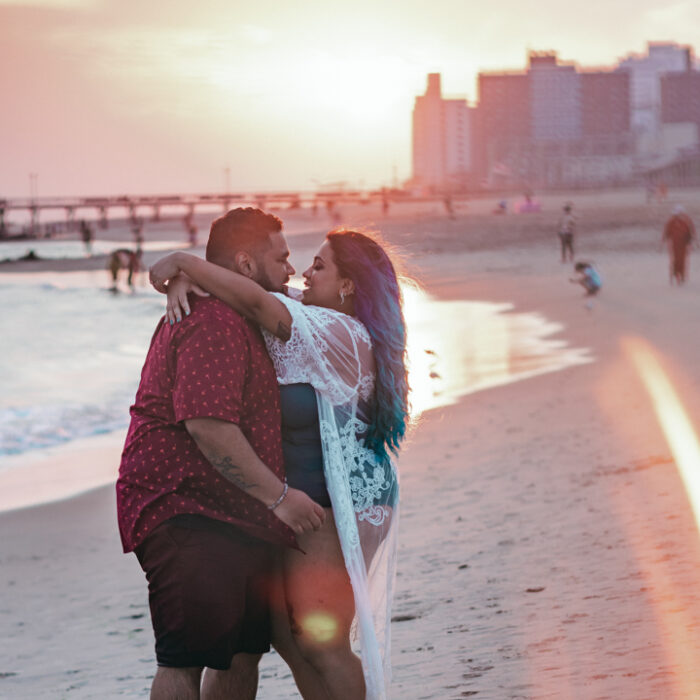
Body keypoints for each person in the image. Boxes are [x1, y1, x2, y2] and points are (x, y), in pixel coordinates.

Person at [149, 227, 410, 700]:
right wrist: (192, 282)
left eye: (320, 266)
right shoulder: (319, 314)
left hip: (344, 494)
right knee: (292, 637)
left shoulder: (341, 332)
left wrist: (183, 262)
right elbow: (252, 286)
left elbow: (257, 302)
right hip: (315, 491)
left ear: (349, 285)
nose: (304, 273)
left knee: (320, 638)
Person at [117, 208, 325, 700]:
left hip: (234, 508)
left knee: (240, 653)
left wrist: (182, 271)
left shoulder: (245, 309)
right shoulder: (213, 321)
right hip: (185, 505)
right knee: (185, 658)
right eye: (283, 257)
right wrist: (280, 498)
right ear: (247, 264)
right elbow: (208, 427)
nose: (291, 269)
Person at [662, 205, 696, 285]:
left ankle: (681, 276)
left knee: (682, 260)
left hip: (683, 244)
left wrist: (691, 242)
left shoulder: (687, 221)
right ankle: (674, 276)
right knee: (675, 260)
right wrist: (664, 240)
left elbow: (691, 233)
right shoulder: (671, 221)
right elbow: (666, 232)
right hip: (674, 244)